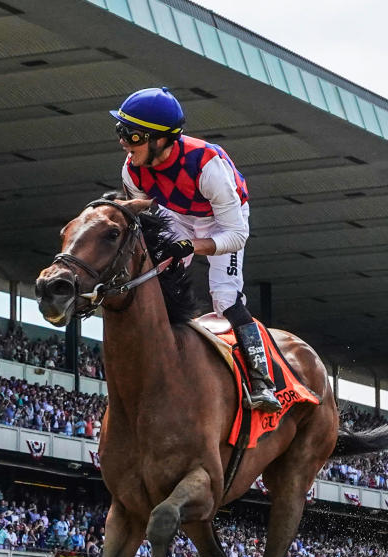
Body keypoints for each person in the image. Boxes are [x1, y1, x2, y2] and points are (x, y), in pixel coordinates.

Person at [111, 86, 280, 412]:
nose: (123, 142)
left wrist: (191, 246)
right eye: (121, 132)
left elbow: (236, 236)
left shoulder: (208, 167)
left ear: (161, 139)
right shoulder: (131, 171)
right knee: (152, 279)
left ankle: (262, 380)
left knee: (225, 298)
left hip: (223, 223)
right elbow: (146, 219)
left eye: (132, 136)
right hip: (175, 214)